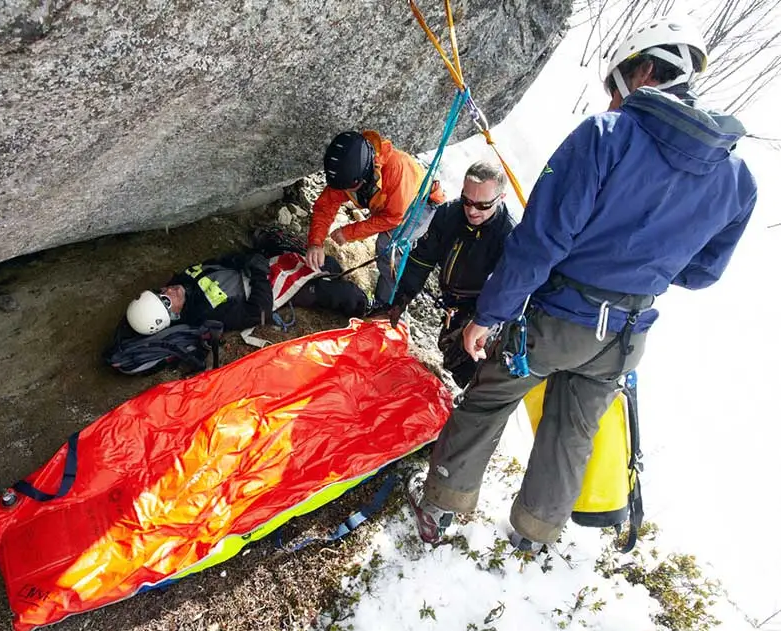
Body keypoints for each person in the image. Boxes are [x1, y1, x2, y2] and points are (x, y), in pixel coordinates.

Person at [408, 17, 758, 551]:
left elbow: (540, 240)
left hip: (558, 318)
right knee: (571, 433)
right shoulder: (737, 177)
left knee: (489, 400)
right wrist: (645, 264)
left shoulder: (606, 136)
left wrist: (490, 314)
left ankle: (442, 506)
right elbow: (702, 273)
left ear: (642, 72)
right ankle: (536, 534)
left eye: (615, 82)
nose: (612, 97)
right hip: (627, 334)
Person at [387, 160, 516, 388]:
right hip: (451, 301)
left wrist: (484, 322)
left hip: (483, 308)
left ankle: (472, 398)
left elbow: (509, 291)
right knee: (449, 350)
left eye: (482, 205)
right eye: (467, 200)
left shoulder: (509, 237)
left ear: (501, 198)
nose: (472, 210)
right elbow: (422, 259)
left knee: (465, 356)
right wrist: (403, 297)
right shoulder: (449, 214)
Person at [305, 130, 445, 307]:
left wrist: (349, 232)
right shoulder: (347, 171)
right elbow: (325, 206)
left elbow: (393, 218)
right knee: (386, 242)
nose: (349, 191)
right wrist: (315, 243)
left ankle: (389, 306)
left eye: (352, 187)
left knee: (389, 245)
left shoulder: (397, 169)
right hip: (390, 205)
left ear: (366, 174)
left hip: (422, 204)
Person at [126, 252, 274, 335]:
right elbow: (260, 312)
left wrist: (242, 258)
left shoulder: (182, 281)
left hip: (249, 264)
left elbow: (217, 262)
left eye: (160, 291)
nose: (170, 290)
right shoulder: (207, 313)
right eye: (166, 301)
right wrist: (259, 274)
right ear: (174, 316)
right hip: (265, 279)